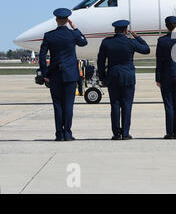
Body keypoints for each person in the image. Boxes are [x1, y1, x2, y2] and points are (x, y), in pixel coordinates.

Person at [39, 8, 88, 141]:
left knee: (57, 105)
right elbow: (84, 42)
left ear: (56, 20)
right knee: (68, 105)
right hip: (70, 74)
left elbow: (42, 56)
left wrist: (44, 73)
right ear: (67, 20)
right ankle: (67, 133)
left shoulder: (49, 35)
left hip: (54, 75)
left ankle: (59, 134)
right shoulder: (73, 34)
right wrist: (75, 28)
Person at [97, 20, 150, 140]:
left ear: (115, 30)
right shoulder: (130, 42)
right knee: (127, 105)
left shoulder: (107, 42)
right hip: (128, 77)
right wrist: (138, 37)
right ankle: (125, 133)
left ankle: (116, 133)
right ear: (126, 30)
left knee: (115, 105)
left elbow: (100, 61)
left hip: (113, 76)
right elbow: (146, 49)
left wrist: (102, 77)